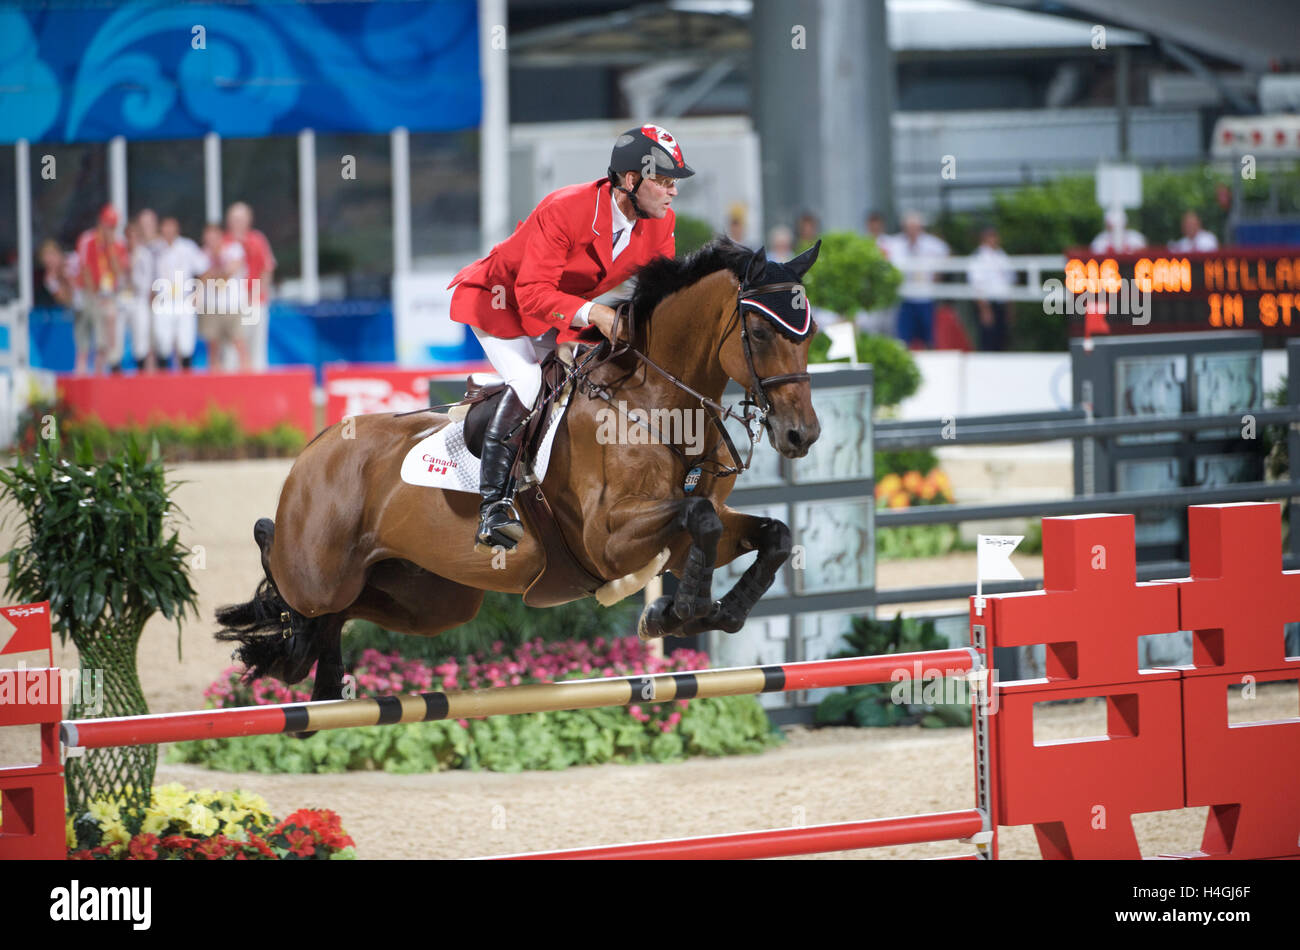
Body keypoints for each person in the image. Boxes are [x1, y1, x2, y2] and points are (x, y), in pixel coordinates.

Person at [447, 124, 691, 552]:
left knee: (586, 381)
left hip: (554, 313)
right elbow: (531, 292)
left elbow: (660, 297)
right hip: (501, 302)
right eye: (665, 182)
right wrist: (597, 312)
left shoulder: (660, 224)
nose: (673, 193)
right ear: (631, 181)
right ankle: (494, 506)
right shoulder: (566, 209)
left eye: (674, 183)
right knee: (528, 383)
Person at [74, 204, 130, 374]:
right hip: (88, 292)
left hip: (109, 294)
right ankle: (82, 366)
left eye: (113, 227)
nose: (110, 230)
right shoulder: (87, 240)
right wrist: (95, 295)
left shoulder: (118, 244)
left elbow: (119, 272)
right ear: (101, 223)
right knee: (86, 322)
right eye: (108, 226)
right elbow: (85, 269)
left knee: (108, 323)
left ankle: (102, 365)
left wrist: (111, 248)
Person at [224, 202, 276, 369]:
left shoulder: (257, 239)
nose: (237, 223)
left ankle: (258, 386)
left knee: (256, 347)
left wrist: (258, 295)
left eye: (241, 219)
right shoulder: (224, 242)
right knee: (232, 350)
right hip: (231, 304)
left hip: (254, 301)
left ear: (249, 220)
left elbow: (267, 268)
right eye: (234, 219)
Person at [151, 217, 206, 370]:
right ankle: (162, 382)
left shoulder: (187, 247)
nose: (168, 231)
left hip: (184, 300)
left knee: (186, 343)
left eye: (171, 228)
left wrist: (198, 293)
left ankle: (186, 381)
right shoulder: (155, 249)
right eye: (165, 228)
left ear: (177, 229)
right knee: (163, 343)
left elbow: (202, 270)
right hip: (163, 301)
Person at [891, 210, 950, 349]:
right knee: (903, 338)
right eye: (908, 228)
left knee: (929, 336)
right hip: (905, 297)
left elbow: (947, 255)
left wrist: (937, 276)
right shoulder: (897, 243)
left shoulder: (932, 244)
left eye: (914, 227)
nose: (911, 231)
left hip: (925, 297)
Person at [196, 223, 251, 371]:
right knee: (213, 347)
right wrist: (218, 272)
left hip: (233, 305)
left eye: (214, 237)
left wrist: (214, 272)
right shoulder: (201, 255)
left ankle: (247, 379)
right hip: (211, 307)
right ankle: (214, 382)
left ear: (221, 236)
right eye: (208, 237)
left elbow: (228, 273)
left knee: (239, 343)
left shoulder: (234, 249)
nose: (211, 241)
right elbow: (203, 277)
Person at [966, 226, 1015, 351]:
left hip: (1001, 303)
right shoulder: (978, 257)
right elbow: (977, 284)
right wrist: (984, 309)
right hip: (987, 303)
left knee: (1001, 339)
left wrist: (1010, 306)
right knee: (987, 339)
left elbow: (1009, 282)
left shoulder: (1002, 255)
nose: (993, 239)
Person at [128, 209, 164, 371]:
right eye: (143, 224)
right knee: (141, 338)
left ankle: (160, 372)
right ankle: (143, 373)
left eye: (149, 224)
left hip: (162, 297)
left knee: (161, 338)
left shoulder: (163, 245)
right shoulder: (135, 248)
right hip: (141, 298)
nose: (146, 227)